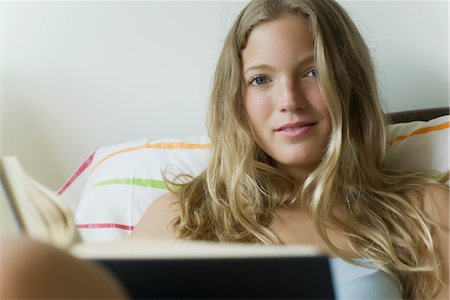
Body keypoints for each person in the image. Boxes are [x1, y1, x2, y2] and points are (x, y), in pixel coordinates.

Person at [1, 0, 448, 299]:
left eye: (312, 72)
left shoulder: (421, 212)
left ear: (347, 82)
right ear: (237, 100)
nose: (289, 99)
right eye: (261, 79)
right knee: (17, 262)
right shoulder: (182, 214)